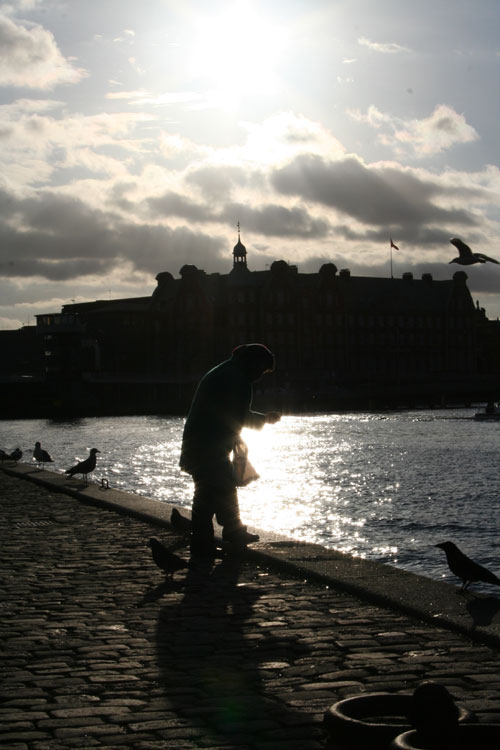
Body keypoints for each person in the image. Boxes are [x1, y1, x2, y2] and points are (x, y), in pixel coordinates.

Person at [180, 343, 281, 558]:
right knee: (211, 494)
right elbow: (239, 417)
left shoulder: (225, 371)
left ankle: (230, 533)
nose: (259, 377)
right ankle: (206, 543)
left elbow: (231, 415)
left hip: (200, 441)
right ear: (254, 363)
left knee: (218, 488)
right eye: (262, 370)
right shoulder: (238, 379)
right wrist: (265, 419)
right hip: (209, 444)